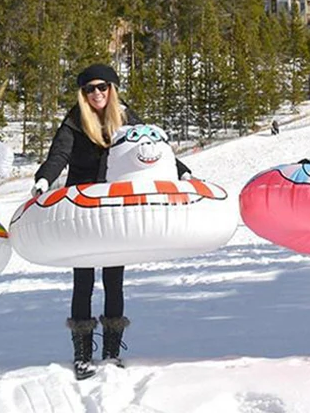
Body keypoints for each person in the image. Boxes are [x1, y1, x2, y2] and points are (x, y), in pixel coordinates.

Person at [31, 63, 192, 380]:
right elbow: (58, 157)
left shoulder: (127, 118)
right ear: (83, 93)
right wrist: (42, 181)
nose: (97, 93)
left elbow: (153, 149)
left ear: (112, 88)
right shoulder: (74, 122)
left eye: (102, 86)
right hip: (83, 210)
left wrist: (181, 171)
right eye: (90, 88)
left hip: (116, 208)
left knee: (114, 279)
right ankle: (82, 355)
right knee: (84, 281)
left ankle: (112, 353)